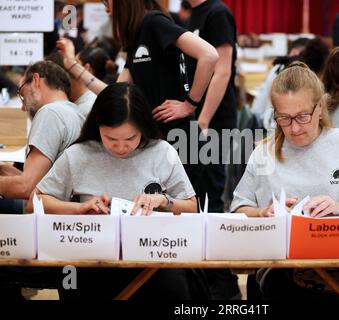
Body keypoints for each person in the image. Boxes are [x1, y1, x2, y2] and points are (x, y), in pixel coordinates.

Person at [28, 82, 200, 299]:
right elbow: (34, 201)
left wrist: (164, 201)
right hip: (92, 259)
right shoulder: (79, 155)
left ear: (143, 128)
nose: (121, 148)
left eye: (130, 139)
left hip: (153, 258)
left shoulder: (161, 152)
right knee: (72, 280)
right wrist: (80, 208)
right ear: (97, 126)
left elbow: (192, 207)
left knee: (172, 286)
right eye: (110, 139)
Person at [231, 62, 339, 299]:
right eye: (283, 118)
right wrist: (264, 212)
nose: (293, 128)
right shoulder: (264, 153)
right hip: (280, 273)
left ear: (320, 106)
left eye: (302, 116)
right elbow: (239, 210)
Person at [56, 0, 218, 193]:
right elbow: (114, 93)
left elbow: (209, 55)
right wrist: (72, 65)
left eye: (107, 3)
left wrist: (189, 104)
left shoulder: (154, 22)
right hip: (162, 143)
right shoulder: (139, 35)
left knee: (180, 216)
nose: (106, 10)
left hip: (182, 143)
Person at [186, 0, 240, 300]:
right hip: (198, 119)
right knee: (198, 195)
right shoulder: (194, 14)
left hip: (212, 121)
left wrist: (203, 119)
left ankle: (223, 286)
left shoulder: (217, 12)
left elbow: (222, 70)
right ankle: (205, 279)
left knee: (211, 199)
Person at [0, 61, 84, 208]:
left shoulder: (50, 113)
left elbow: (25, 188)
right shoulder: (75, 113)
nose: (23, 107)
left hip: (46, 216)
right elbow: (41, 182)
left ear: (36, 80)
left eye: (21, 92)